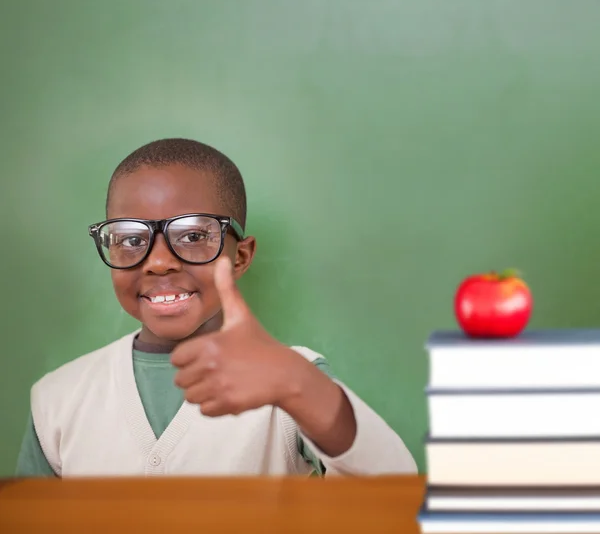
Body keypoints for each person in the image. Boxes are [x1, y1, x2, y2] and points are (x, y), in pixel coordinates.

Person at [16, 138, 417, 477]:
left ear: (240, 257)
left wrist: (299, 384)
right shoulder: (58, 398)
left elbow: (393, 486)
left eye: (192, 235)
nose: (158, 262)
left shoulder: (290, 382)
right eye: (131, 238)